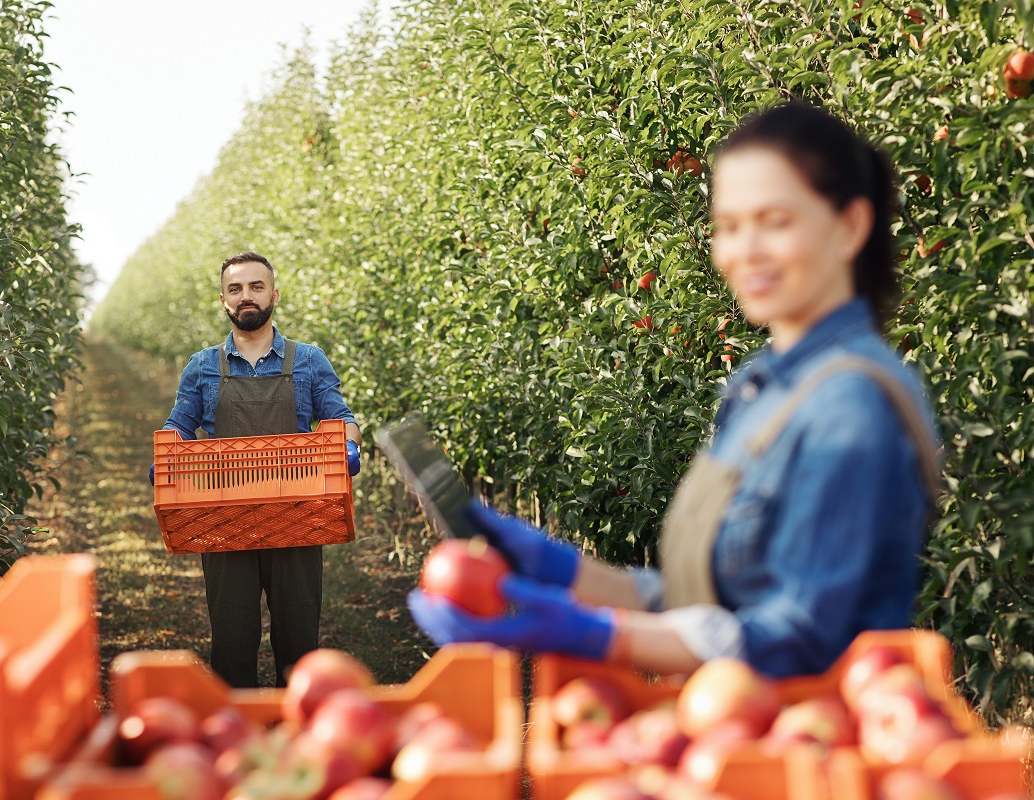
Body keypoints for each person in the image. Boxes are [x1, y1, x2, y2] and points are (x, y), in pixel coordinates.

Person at [408, 103, 942, 679]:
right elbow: (710, 611)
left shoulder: (848, 406)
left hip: (807, 747)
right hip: (735, 730)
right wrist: (570, 575)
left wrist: (600, 635)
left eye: (776, 221)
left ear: (850, 228)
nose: (745, 250)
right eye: (729, 226)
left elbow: (800, 637)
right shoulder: (763, 386)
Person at [154, 251, 362, 688]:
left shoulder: (308, 360)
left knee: (299, 643)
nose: (246, 296)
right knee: (231, 642)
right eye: (235, 289)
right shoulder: (203, 366)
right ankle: (236, 741)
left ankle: (301, 734)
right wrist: (168, 455)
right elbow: (179, 424)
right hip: (224, 519)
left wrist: (347, 446)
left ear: (274, 295)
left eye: (256, 287)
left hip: (300, 519)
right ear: (223, 301)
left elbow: (343, 417)